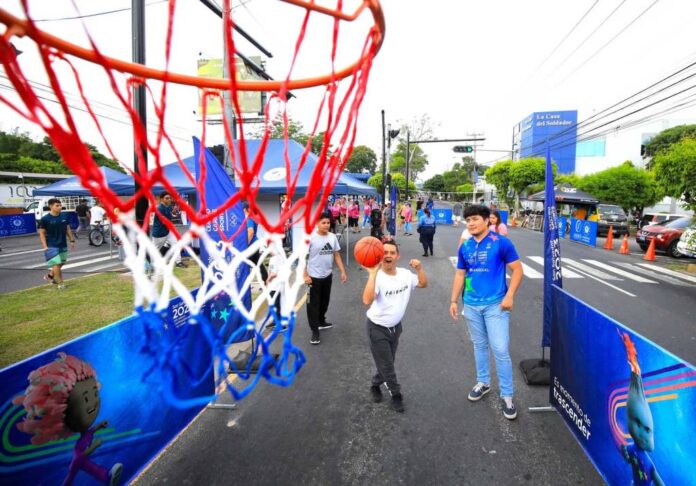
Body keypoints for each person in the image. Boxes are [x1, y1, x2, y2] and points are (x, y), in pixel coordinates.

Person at [449, 204, 524, 420]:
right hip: (471, 304)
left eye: (474, 219)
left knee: (500, 349)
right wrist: (454, 300)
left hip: (496, 305)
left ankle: (507, 395)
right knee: (479, 345)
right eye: (468, 220)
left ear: (486, 220)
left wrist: (510, 296)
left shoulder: (501, 243)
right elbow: (460, 275)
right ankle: (483, 382)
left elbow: (518, 270)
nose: (470, 223)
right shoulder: (465, 247)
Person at [362, 241, 427, 413]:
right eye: (384, 252)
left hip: (395, 328)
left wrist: (420, 269)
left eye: (392, 252)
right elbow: (367, 300)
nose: (388, 255)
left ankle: (375, 384)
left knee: (387, 362)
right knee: (388, 366)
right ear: (380, 256)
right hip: (377, 329)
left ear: (397, 256)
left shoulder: (405, 274)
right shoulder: (377, 277)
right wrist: (371, 274)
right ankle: (396, 395)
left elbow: (422, 284)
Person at [303, 213, 347, 345]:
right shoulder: (310, 238)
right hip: (312, 277)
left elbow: (336, 255)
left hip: (327, 275)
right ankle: (315, 330)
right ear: (317, 223)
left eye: (328, 223)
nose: (326, 225)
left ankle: (321, 321)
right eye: (323, 223)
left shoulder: (332, 237)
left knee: (325, 301)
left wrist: (342, 271)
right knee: (312, 304)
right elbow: (302, 258)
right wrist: (305, 275)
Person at [38, 198, 76, 289]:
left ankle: (51, 275)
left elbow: (68, 229)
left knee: (61, 263)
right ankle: (60, 284)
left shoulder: (64, 216)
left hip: (63, 244)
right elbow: (41, 233)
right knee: (56, 264)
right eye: (57, 205)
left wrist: (72, 240)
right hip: (51, 245)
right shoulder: (45, 219)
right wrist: (44, 246)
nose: (60, 207)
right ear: (51, 206)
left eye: (60, 205)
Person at [151, 191, 186, 267]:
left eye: (170, 198)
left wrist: (174, 211)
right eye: (167, 198)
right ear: (161, 199)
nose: (169, 200)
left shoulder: (169, 206)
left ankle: (178, 262)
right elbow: (165, 221)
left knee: (176, 244)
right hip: (159, 234)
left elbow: (170, 214)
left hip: (168, 231)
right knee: (155, 250)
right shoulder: (159, 209)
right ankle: (152, 265)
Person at [244, 203, 268, 283]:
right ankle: (266, 280)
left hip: (251, 246)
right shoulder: (253, 218)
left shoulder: (249, 219)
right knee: (258, 264)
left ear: (245, 209)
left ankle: (244, 283)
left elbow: (250, 232)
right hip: (255, 244)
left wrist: (245, 245)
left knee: (244, 265)